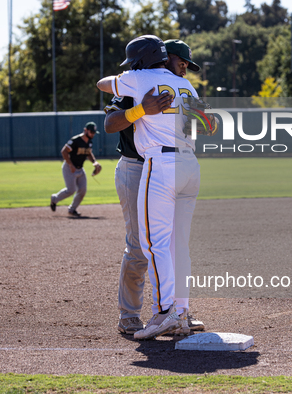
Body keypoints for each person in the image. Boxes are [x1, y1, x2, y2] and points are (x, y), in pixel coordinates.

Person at [97, 35, 202, 340]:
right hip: (136, 165)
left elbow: (198, 126)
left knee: (166, 244)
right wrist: (141, 110)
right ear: (163, 56)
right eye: (180, 61)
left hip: (161, 164)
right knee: (141, 247)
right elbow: (109, 123)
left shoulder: (168, 82)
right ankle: (131, 315)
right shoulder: (139, 82)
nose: (183, 68)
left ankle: (174, 313)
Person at [50, 121, 102, 217]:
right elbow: (64, 151)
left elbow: (88, 153)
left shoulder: (89, 142)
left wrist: (95, 162)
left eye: (94, 132)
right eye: (91, 132)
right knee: (71, 190)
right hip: (69, 168)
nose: (93, 134)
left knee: (82, 190)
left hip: (80, 169)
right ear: (85, 130)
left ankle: (72, 209)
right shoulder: (75, 140)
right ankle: (54, 199)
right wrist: (70, 165)